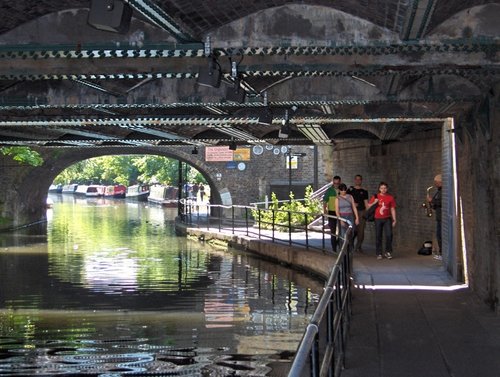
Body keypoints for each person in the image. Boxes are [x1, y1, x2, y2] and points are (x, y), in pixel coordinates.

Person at [367, 182, 397, 260]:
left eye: (385, 188)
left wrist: (394, 219)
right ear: (379, 189)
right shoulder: (375, 196)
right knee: (378, 235)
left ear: (387, 189)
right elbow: (368, 206)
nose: (383, 189)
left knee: (389, 235)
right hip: (378, 218)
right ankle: (379, 253)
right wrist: (375, 202)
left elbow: (392, 209)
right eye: (381, 188)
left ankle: (388, 252)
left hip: (387, 218)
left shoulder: (390, 197)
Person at [347, 175, 369, 252]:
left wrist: (367, 213)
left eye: (359, 179)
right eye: (356, 179)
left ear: (361, 180)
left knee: (361, 230)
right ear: (354, 180)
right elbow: (345, 199)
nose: (358, 181)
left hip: (361, 211)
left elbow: (366, 203)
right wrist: (352, 203)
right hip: (352, 211)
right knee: (352, 229)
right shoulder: (350, 190)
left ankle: (358, 246)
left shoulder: (364, 191)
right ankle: (351, 244)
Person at [322, 175, 341, 252]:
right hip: (332, 212)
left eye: (337, 183)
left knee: (341, 230)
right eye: (335, 183)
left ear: (340, 182)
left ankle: (338, 243)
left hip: (340, 212)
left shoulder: (342, 190)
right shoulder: (329, 190)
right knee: (333, 230)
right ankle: (334, 247)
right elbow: (325, 201)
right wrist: (325, 210)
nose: (336, 184)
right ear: (333, 182)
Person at [428, 174, 443, 260]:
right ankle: (441, 252)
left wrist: (432, 200)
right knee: (438, 235)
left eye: (436, 182)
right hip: (438, 216)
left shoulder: (443, 191)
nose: (435, 184)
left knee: (440, 235)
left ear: (440, 182)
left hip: (442, 217)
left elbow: (442, 202)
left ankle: (442, 253)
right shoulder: (439, 191)